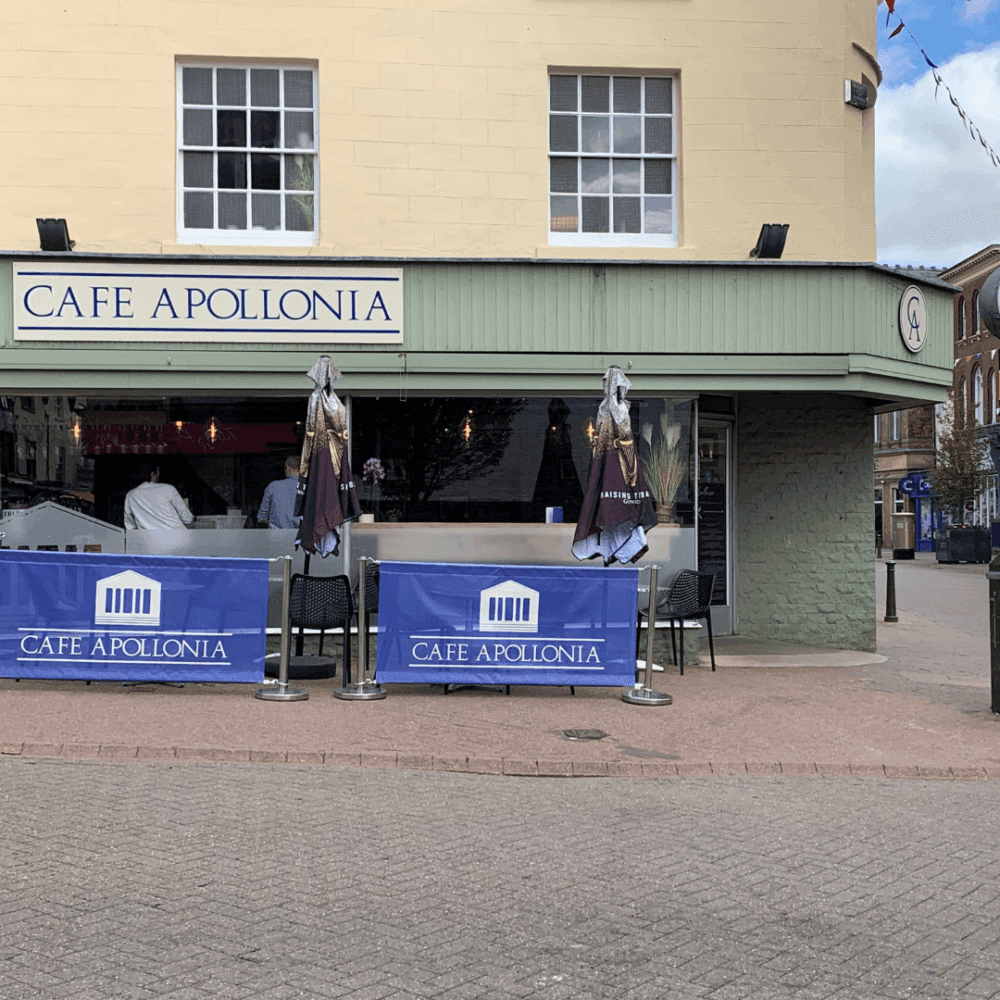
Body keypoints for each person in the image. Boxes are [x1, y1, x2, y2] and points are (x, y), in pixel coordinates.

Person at [123, 462, 194, 530]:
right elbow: (188, 519)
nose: (158, 475)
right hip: (178, 539)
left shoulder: (130, 495)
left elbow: (130, 527)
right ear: (152, 474)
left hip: (149, 541)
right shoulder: (168, 489)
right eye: (158, 472)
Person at [257, 454, 302, 529]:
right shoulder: (309, 488)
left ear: (288, 467)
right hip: (300, 537)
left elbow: (261, 518)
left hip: (276, 538)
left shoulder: (273, 486)